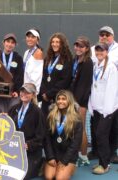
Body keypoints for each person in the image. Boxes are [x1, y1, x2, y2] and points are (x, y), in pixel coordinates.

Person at [88, 43, 118, 174]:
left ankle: (105, 165)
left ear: (107, 52)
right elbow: (93, 87)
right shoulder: (96, 66)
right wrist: (91, 106)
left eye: (102, 50)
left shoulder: (111, 68)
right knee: (97, 135)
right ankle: (101, 161)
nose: (99, 52)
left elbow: (112, 90)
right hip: (96, 109)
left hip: (107, 109)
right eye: (97, 50)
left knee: (101, 135)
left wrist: (107, 110)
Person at [8, 83, 45, 179]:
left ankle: (41, 163)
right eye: (22, 91)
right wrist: (3, 119)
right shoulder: (13, 109)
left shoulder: (38, 112)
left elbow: (40, 136)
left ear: (33, 95)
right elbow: (7, 128)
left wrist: (29, 145)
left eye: (27, 92)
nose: (24, 94)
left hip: (30, 151)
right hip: (14, 149)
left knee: (21, 175)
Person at [44, 90, 82, 180]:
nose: (60, 101)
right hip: (54, 155)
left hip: (68, 157)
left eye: (64, 99)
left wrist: (64, 161)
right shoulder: (51, 116)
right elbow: (47, 139)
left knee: (59, 178)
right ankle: (47, 165)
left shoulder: (77, 119)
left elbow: (75, 144)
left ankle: (71, 167)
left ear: (69, 101)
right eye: (59, 99)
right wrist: (50, 157)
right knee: (49, 177)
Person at [70, 36, 93, 166]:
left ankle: (84, 156)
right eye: (77, 45)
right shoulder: (75, 60)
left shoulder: (88, 62)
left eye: (81, 46)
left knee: (82, 128)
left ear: (86, 49)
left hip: (81, 102)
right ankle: (78, 154)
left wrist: (76, 102)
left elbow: (84, 85)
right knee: (75, 129)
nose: (78, 48)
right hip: (73, 99)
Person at [39, 32, 73, 117]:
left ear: (62, 44)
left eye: (57, 42)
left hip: (59, 99)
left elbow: (65, 81)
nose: (54, 44)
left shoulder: (67, 59)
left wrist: (49, 94)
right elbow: (42, 77)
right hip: (45, 99)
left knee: (56, 125)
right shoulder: (48, 58)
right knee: (44, 124)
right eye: (53, 42)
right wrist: (44, 93)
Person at [0, 33, 24, 112]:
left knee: (11, 114)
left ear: (15, 45)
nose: (10, 44)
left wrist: (17, 91)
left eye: (12, 42)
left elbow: (20, 76)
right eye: (8, 41)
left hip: (12, 94)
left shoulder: (18, 58)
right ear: (3, 43)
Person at [23, 28, 44, 94]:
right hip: (25, 89)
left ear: (37, 40)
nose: (30, 39)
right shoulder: (26, 52)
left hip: (31, 92)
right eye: (28, 37)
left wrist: (33, 92)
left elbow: (37, 76)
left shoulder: (38, 53)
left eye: (33, 37)